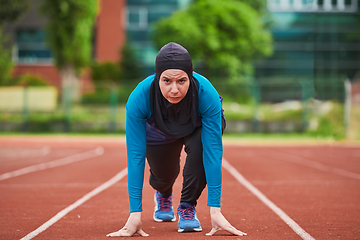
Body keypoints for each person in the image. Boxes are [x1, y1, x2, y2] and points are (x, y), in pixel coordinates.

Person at [107, 42, 247, 237]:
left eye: (181, 81)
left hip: (196, 127)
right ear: (157, 78)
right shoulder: (139, 98)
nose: (174, 89)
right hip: (158, 132)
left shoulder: (207, 94)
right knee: (163, 175)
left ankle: (187, 207)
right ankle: (164, 193)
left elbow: (214, 153)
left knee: (202, 150)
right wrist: (135, 214)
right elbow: (135, 156)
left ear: (190, 77)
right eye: (167, 81)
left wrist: (215, 209)